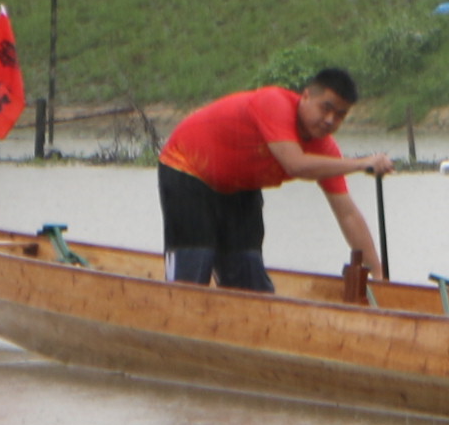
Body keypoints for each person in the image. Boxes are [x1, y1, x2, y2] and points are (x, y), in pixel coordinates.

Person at [159, 67, 389, 292]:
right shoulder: (275, 103)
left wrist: (377, 274)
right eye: (325, 108)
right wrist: (360, 163)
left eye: (340, 115)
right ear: (306, 96)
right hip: (187, 169)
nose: (330, 120)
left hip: (239, 185)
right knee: (194, 265)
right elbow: (295, 164)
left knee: (248, 273)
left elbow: (347, 214)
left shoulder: (325, 149)